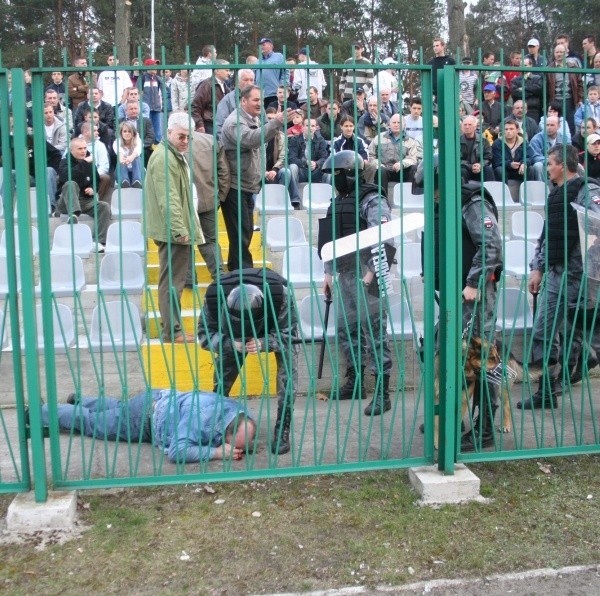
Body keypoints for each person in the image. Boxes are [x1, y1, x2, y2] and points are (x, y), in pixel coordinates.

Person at [416, 157, 503, 451]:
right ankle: (449, 417)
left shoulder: (473, 203)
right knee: (444, 353)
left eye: (433, 188)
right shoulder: (448, 204)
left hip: (474, 294)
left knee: (478, 358)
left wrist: (473, 283)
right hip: (454, 293)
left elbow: (490, 245)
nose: (432, 195)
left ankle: (486, 427)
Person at [520, 144, 600, 410]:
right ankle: (545, 392)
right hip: (556, 274)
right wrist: (538, 267)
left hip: (582, 277)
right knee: (543, 332)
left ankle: (583, 359)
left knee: (592, 334)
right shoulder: (555, 194)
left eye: (551, 163)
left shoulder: (588, 190)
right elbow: (548, 236)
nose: (547, 168)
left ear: (564, 165)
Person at [318, 150, 394, 416]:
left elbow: (385, 238)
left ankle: (382, 392)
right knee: (346, 331)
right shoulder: (338, 201)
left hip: (368, 275)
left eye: (337, 174)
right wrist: (328, 273)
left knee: (374, 335)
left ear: (350, 174)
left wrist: (372, 273)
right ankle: (355, 381)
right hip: (346, 276)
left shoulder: (372, 200)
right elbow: (330, 241)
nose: (333, 180)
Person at [197, 269, 298, 455]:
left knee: (288, 368)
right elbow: (204, 335)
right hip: (232, 337)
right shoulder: (214, 298)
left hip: (272, 328)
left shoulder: (280, 297)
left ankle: (283, 424)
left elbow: (290, 337)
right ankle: (216, 420)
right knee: (223, 374)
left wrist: (264, 342)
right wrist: (229, 344)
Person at [40, 389, 256, 463]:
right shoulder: (199, 419)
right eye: (234, 445)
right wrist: (217, 452)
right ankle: (40, 412)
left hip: (156, 398)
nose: (240, 451)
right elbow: (177, 452)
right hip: (146, 418)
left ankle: (78, 399)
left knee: (119, 409)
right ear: (224, 431)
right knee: (92, 423)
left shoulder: (236, 411)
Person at [144, 112, 205, 343]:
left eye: (188, 137)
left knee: (173, 282)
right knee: (172, 282)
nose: (185, 141)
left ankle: (173, 329)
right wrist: (179, 230)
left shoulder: (169, 156)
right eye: (181, 136)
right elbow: (168, 200)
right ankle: (173, 331)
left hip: (174, 230)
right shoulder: (164, 159)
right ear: (168, 132)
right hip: (173, 232)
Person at [220, 85, 290, 271]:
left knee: (245, 231)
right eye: (255, 100)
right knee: (241, 233)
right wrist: (275, 123)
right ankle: (244, 274)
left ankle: (236, 269)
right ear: (243, 101)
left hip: (249, 186)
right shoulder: (234, 122)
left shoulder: (253, 119)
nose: (260, 103)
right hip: (235, 187)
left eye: (261, 100)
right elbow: (251, 139)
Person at [186, 130, 230, 282]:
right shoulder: (210, 140)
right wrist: (220, 196)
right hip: (208, 199)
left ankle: (189, 279)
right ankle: (219, 277)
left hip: (183, 202)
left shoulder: (170, 143)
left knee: (184, 240)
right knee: (210, 240)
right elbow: (223, 171)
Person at [55, 137, 110, 252]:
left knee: (104, 206)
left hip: (85, 201)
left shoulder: (90, 163)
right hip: (66, 202)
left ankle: (98, 242)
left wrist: (93, 189)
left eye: (85, 148)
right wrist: (84, 163)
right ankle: (73, 214)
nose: (83, 151)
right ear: (71, 151)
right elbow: (68, 176)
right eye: (80, 149)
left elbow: (97, 180)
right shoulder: (64, 162)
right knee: (71, 183)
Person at [368, 113, 422, 197]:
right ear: (389, 124)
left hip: (401, 170)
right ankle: (382, 199)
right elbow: (371, 155)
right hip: (384, 170)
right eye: (394, 122)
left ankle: (409, 197)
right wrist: (378, 164)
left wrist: (402, 163)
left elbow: (413, 158)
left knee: (414, 168)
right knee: (381, 171)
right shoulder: (379, 138)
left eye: (399, 122)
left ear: (404, 125)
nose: (396, 125)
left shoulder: (410, 141)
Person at [264, 107, 301, 209]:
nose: (271, 121)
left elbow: (283, 157)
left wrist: (275, 170)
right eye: (269, 118)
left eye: (273, 118)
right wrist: (264, 172)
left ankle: (281, 200)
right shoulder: (259, 135)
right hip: (260, 172)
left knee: (286, 172)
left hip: (276, 170)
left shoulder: (282, 136)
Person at [546, 44, 584, 135]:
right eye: (557, 52)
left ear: (566, 53)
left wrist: (580, 99)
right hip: (555, 101)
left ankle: (570, 146)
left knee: (570, 125)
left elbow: (579, 84)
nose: (559, 54)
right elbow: (546, 86)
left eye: (561, 52)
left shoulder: (573, 66)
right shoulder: (549, 69)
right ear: (554, 54)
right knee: (555, 124)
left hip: (570, 100)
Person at [491, 118, 538, 183]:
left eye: (511, 129)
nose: (508, 131)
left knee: (531, 169)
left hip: (520, 169)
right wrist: (510, 164)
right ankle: (503, 192)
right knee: (499, 170)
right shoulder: (497, 143)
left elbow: (529, 156)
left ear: (517, 130)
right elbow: (496, 161)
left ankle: (528, 192)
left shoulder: (523, 142)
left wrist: (524, 163)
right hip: (505, 170)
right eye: (506, 129)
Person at [287, 117, 331, 186]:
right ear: (303, 127)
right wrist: (305, 163)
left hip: (316, 171)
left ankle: (328, 196)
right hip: (301, 170)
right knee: (292, 167)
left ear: (316, 128)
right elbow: (292, 158)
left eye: (312, 126)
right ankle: (294, 196)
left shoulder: (321, 140)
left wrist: (316, 163)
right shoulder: (295, 140)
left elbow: (324, 158)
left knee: (328, 170)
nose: (310, 128)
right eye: (307, 125)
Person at [214, 69, 255, 140]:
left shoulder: (258, 99)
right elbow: (220, 126)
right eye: (246, 80)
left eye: (251, 80)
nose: (249, 83)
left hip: (256, 145)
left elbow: (264, 124)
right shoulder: (227, 100)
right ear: (238, 82)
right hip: (234, 145)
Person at [191, 59, 229, 134]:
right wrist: (199, 125)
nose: (228, 73)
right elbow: (195, 106)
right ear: (217, 71)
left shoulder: (225, 87)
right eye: (226, 70)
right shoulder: (206, 85)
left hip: (222, 124)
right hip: (210, 125)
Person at [459, 115, 494, 184]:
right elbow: (457, 159)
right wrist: (471, 166)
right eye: (465, 125)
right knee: (462, 171)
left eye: (470, 125)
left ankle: (490, 193)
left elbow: (488, 157)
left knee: (488, 170)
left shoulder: (483, 140)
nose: (467, 127)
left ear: (475, 127)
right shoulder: (457, 140)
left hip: (480, 168)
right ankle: (465, 193)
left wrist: (480, 164)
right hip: (465, 168)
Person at [255, 37, 287, 109]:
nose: (261, 47)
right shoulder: (258, 60)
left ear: (271, 46)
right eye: (260, 45)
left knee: (274, 115)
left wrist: (282, 86)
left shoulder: (279, 57)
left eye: (263, 45)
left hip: (274, 93)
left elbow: (285, 72)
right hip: (260, 94)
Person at [510, 57, 544, 123]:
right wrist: (531, 92)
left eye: (525, 65)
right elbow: (515, 93)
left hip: (533, 110)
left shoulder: (537, 78)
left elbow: (538, 90)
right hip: (519, 110)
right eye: (521, 66)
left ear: (530, 66)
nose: (523, 67)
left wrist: (523, 89)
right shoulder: (515, 80)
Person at [113, 121, 143, 188]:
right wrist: (123, 159)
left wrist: (131, 157)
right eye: (125, 131)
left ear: (133, 133)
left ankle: (137, 181)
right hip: (122, 172)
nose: (127, 133)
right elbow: (120, 152)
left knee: (136, 157)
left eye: (129, 131)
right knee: (121, 160)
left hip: (137, 171)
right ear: (121, 133)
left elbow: (137, 150)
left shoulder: (138, 140)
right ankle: (124, 181)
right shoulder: (117, 142)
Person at [140, 58, 164, 142]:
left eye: (156, 65)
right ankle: (147, 146)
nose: (155, 67)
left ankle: (157, 145)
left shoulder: (158, 79)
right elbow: (137, 92)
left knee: (158, 130)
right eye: (153, 65)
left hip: (156, 107)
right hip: (146, 108)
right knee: (147, 128)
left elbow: (164, 91)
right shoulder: (142, 78)